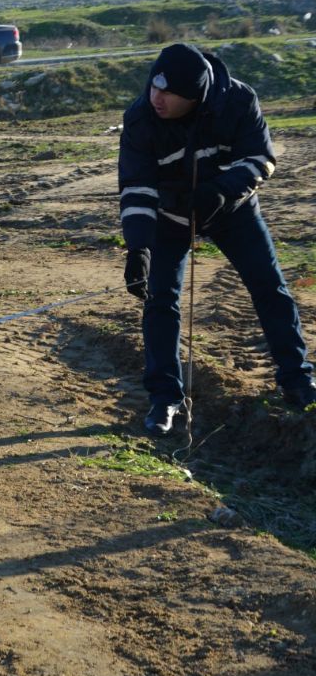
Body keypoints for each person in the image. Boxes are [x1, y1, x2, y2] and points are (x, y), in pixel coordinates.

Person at [118, 42, 316, 436]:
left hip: (233, 209)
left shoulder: (238, 100)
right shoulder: (141, 118)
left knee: (269, 286)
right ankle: (164, 398)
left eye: (168, 93)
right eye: (153, 87)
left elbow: (261, 159)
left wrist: (222, 190)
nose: (156, 97)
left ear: (195, 96)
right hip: (170, 218)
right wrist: (138, 247)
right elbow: (137, 187)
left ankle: (297, 379)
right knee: (160, 300)